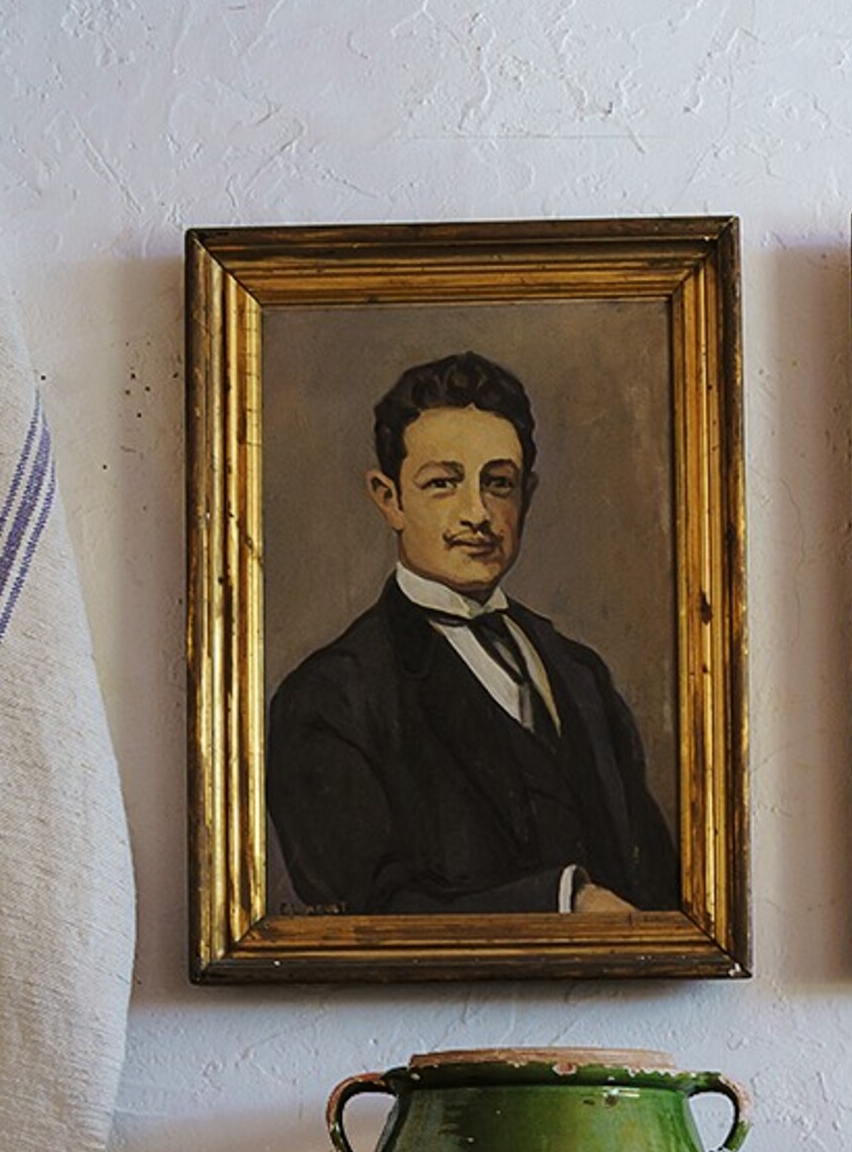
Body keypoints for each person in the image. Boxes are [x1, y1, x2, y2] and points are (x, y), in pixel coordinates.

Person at [266, 350, 681, 915]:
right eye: (443, 483)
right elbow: (366, 911)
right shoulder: (330, 696)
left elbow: (656, 885)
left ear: (527, 497)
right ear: (389, 499)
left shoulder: (581, 673)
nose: (478, 513)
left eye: (499, 484)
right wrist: (564, 902)